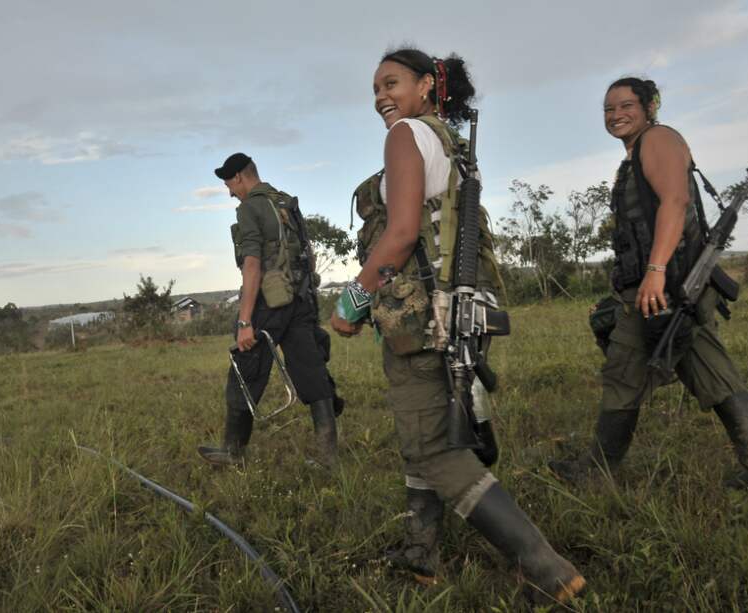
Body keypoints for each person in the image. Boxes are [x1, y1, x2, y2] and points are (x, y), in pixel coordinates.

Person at [330, 48, 585, 603]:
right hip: (461, 307)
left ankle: (547, 569)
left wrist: (351, 301)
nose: (381, 96)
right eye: (375, 87)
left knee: (435, 448)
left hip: (427, 315)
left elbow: (398, 234)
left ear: (426, 85)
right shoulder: (449, 142)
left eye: (391, 83)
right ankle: (421, 552)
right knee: (421, 429)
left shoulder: (406, 137)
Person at [549, 77, 748, 487]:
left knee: (624, 372)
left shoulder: (657, 139)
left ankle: (597, 472)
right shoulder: (638, 152)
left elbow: (675, 201)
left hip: (666, 288)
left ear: (649, 108)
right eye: (608, 109)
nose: (615, 115)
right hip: (674, 288)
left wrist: (656, 272)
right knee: (714, 374)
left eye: (626, 105)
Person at [198, 153, 341, 468]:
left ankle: (233, 452)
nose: (230, 192)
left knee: (245, 368)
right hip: (301, 299)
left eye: (229, 184)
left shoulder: (250, 207)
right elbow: (307, 252)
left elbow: (252, 265)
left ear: (239, 177)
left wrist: (245, 320)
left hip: (270, 303)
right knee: (311, 369)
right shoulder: (286, 202)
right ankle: (328, 456)